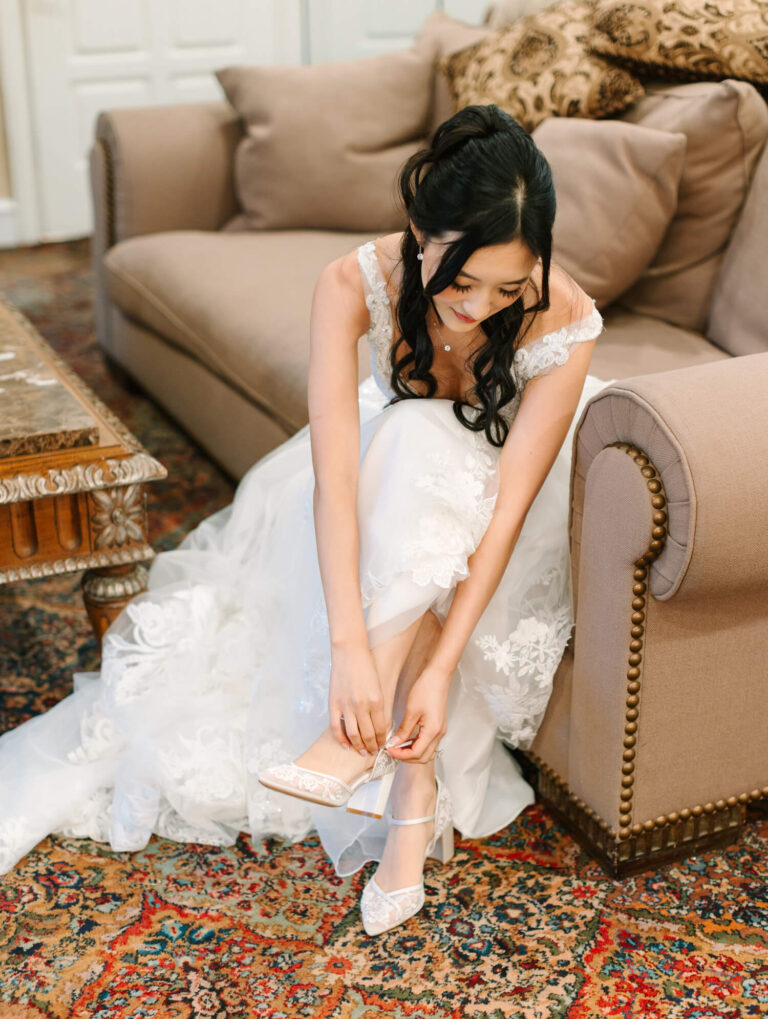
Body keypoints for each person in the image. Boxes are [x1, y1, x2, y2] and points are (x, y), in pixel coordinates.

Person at [0, 104, 615, 936]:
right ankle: (410, 781)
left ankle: (393, 767)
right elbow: (333, 481)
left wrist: (438, 674)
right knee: (404, 438)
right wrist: (349, 648)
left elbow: (505, 513)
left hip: (514, 498)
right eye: (459, 282)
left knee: (425, 449)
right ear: (417, 232)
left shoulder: (563, 317)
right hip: (386, 482)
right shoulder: (351, 282)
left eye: (508, 287)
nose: (479, 308)